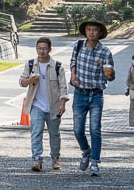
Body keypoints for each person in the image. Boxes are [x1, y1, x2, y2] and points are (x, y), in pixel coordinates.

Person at [70, 20, 115, 177]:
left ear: (100, 33)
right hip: (79, 93)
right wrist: (73, 75)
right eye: (89, 29)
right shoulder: (78, 45)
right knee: (77, 129)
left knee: (95, 129)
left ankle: (95, 162)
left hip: (96, 94)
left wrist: (110, 74)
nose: (91, 32)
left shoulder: (105, 51)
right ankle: (86, 152)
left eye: (95, 30)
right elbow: (73, 62)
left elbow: (111, 76)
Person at [18, 36, 70, 172]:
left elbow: (64, 87)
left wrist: (62, 104)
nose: (41, 51)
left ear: (50, 50)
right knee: (36, 132)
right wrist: (30, 80)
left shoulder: (57, 66)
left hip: (54, 106)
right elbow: (22, 82)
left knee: (54, 134)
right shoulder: (30, 64)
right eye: (39, 48)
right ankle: (36, 159)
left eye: (44, 49)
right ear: (36, 49)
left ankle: (55, 158)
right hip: (36, 105)